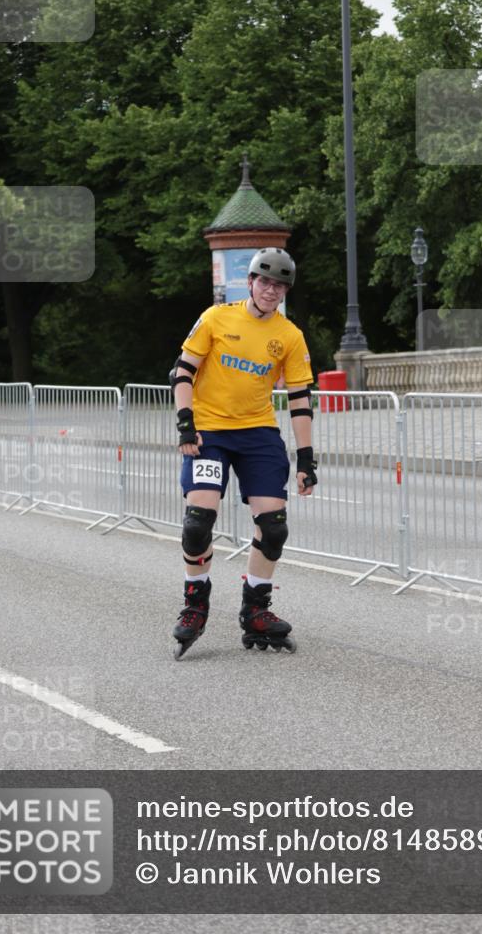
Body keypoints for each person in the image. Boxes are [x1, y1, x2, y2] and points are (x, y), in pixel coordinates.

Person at [170, 247, 317, 659]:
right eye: (265, 281)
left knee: (274, 528)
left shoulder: (289, 335)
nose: (271, 290)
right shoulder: (217, 318)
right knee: (198, 524)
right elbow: (183, 371)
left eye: (280, 285)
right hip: (210, 434)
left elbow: (301, 397)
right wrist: (186, 422)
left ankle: (255, 609)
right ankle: (195, 604)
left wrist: (306, 458)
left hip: (258, 435)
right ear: (251, 282)